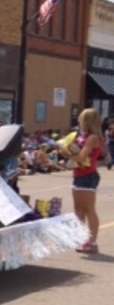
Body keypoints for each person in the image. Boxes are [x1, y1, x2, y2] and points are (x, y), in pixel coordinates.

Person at [59, 108, 105, 254]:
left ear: (87, 121)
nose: (79, 121)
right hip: (78, 174)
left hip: (88, 175)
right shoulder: (82, 136)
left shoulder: (93, 138)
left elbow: (81, 157)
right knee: (78, 209)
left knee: (89, 209)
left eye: (82, 119)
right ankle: (82, 238)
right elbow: (76, 156)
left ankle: (92, 242)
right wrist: (65, 150)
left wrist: (66, 153)